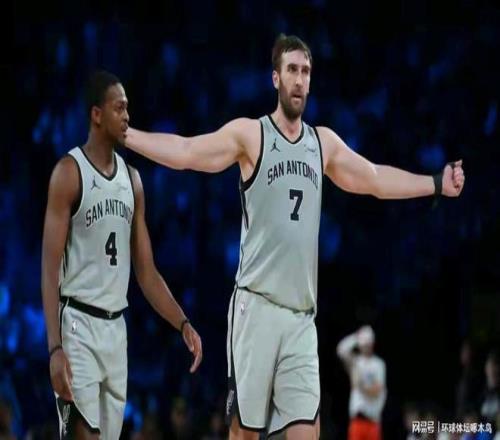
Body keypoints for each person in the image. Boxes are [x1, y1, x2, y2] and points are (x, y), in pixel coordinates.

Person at [123, 34, 465, 439]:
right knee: (244, 434)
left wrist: (435, 183)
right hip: (256, 308)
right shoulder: (251, 135)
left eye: (305, 71)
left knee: (307, 433)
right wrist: (126, 136)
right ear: (275, 78)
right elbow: (186, 151)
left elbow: (374, 178)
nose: (300, 80)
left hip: (301, 317)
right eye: (291, 71)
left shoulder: (322, 144)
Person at [41, 70, 202, 439]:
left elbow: (146, 271)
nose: (127, 116)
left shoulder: (133, 181)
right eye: (119, 108)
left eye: (128, 108)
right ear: (97, 115)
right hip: (78, 323)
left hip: (116, 330)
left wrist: (182, 322)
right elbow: (49, 270)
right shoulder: (69, 173)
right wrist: (54, 348)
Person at [337, 326, 386, 440]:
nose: (366, 347)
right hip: (357, 421)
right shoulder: (356, 362)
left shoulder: (378, 364)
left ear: (372, 344)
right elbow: (341, 350)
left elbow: (376, 391)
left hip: (373, 421)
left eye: (368, 344)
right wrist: (356, 337)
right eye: (364, 345)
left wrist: (360, 386)